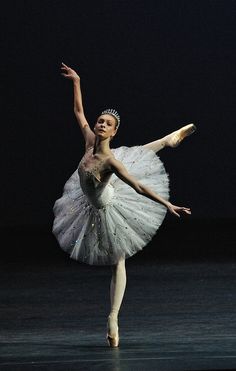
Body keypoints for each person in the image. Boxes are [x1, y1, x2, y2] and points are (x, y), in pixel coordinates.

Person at [52, 62, 196, 348]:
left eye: (107, 123)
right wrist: (77, 80)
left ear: (114, 131)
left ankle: (113, 318)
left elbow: (138, 185)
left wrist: (166, 203)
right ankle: (167, 141)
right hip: (87, 203)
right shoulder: (89, 141)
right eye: (100, 121)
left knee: (119, 258)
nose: (100, 124)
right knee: (136, 156)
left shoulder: (110, 161)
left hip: (110, 206)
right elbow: (78, 112)